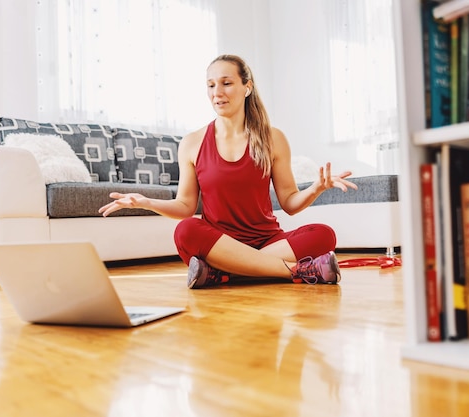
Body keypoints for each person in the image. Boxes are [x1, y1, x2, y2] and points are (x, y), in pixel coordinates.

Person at [99, 54, 358, 289]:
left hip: (267, 241)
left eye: (226, 83)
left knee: (324, 235)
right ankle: (297, 270)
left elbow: (289, 202)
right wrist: (146, 203)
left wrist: (315, 189)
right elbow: (186, 206)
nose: (217, 92)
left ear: (247, 87)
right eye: (211, 85)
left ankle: (222, 273)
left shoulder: (273, 138)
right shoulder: (192, 143)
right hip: (218, 243)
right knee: (186, 231)